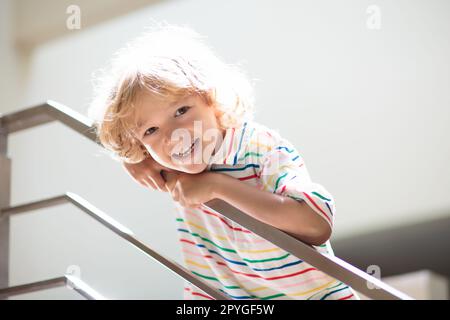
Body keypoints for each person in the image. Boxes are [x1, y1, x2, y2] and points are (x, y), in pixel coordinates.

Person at [88, 22, 360, 300]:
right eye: (151, 130)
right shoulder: (170, 166)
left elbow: (317, 225)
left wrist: (218, 186)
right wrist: (132, 159)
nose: (172, 136)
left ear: (213, 100)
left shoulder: (259, 148)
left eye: (181, 110)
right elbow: (108, 130)